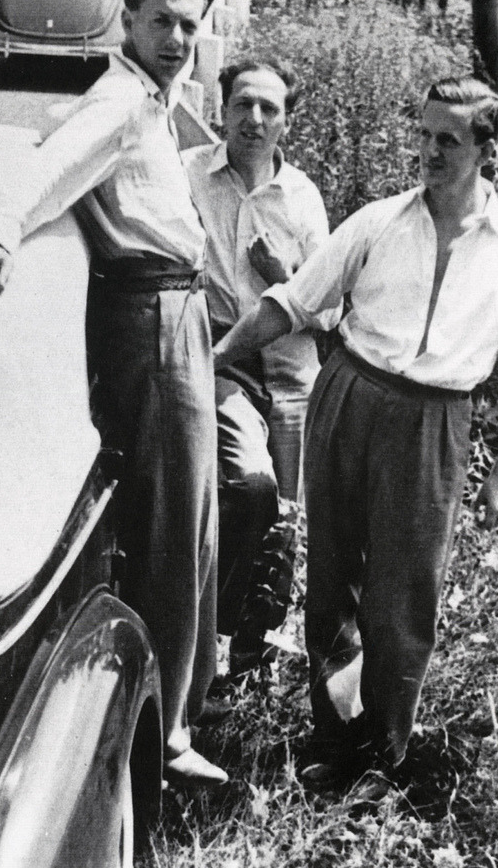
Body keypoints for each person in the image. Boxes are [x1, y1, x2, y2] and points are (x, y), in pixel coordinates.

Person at [0, 0, 228, 790]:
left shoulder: (158, 104)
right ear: (126, 23)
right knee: (171, 522)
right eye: (161, 21)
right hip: (154, 321)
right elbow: (53, 164)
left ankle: (178, 703)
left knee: (193, 513)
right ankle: (162, 735)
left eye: (189, 26)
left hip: (178, 316)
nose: (176, 40)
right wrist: (1, 225)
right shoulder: (124, 102)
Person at [212, 76, 498, 779]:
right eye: (424, 135)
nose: (429, 152)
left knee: (405, 596)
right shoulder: (378, 221)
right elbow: (293, 303)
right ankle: (331, 743)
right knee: (333, 578)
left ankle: (381, 757)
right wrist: (213, 358)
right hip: (351, 395)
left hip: (435, 423)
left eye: (448, 141)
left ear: (487, 149)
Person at [183, 58, 333, 667]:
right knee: (252, 484)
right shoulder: (189, 177)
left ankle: (254, 654)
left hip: (293, 376)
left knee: (289, 519)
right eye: (243, 104)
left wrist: (287, 278)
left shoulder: (302, 198)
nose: (255, 118)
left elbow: (330, 314)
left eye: (270, 108)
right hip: (223, 360)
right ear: (221, 110)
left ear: (286, 124)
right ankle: (211, 636)